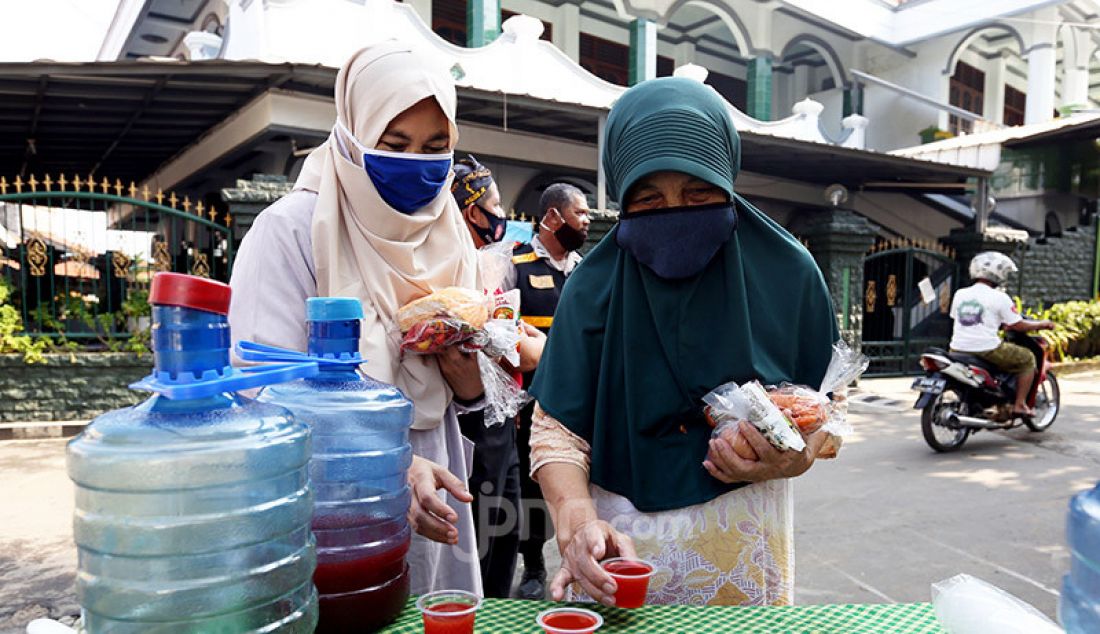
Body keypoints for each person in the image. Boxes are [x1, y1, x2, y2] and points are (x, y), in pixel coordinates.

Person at [527, 76, 839, 607]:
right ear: (623, 200)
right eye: (648, 201)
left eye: (699, 192)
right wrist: (576, 522)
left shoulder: (788, 274)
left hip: (745, 543)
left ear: (727, 180)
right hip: (619, 547)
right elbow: (556, 434)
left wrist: (795, 457)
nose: (676, 211)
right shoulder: (593, 288)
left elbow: (826, 412)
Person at [228, 41, 487, 595]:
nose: (417, 163)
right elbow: (259, 391)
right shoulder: (293, 233)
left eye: (435, 146)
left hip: (438, 481)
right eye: (395, 144)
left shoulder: (451, 237)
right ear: (352, 135)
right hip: (325, 493)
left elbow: (465, 392)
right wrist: (386, 465)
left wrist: (469, 383)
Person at [502, 182, 590, 600]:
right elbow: (499, 336)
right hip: (529, 401)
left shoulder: (586, 270)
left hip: (579, 399)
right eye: (581, 213)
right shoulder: (512, 264)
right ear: (553, 218)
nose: (587, 221)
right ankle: (534, 564)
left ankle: (586, 556)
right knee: (530, 487)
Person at [450, 155, 522, 598]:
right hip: (469, 421)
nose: (503, 216)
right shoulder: (445, 267)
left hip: (502, 418)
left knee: (507, 531)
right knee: (479, 540)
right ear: (474, 211)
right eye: (496, 205)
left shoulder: (491, 263)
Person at [949, 251, 1054, 417]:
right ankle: (1019, 405)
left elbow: (960, 318)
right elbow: (1017, 325)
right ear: (998, 274)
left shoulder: (960, 294)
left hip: (956, 349)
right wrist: (1042, 324)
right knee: (1027, 359)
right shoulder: (1000, 297)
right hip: (986, 349)